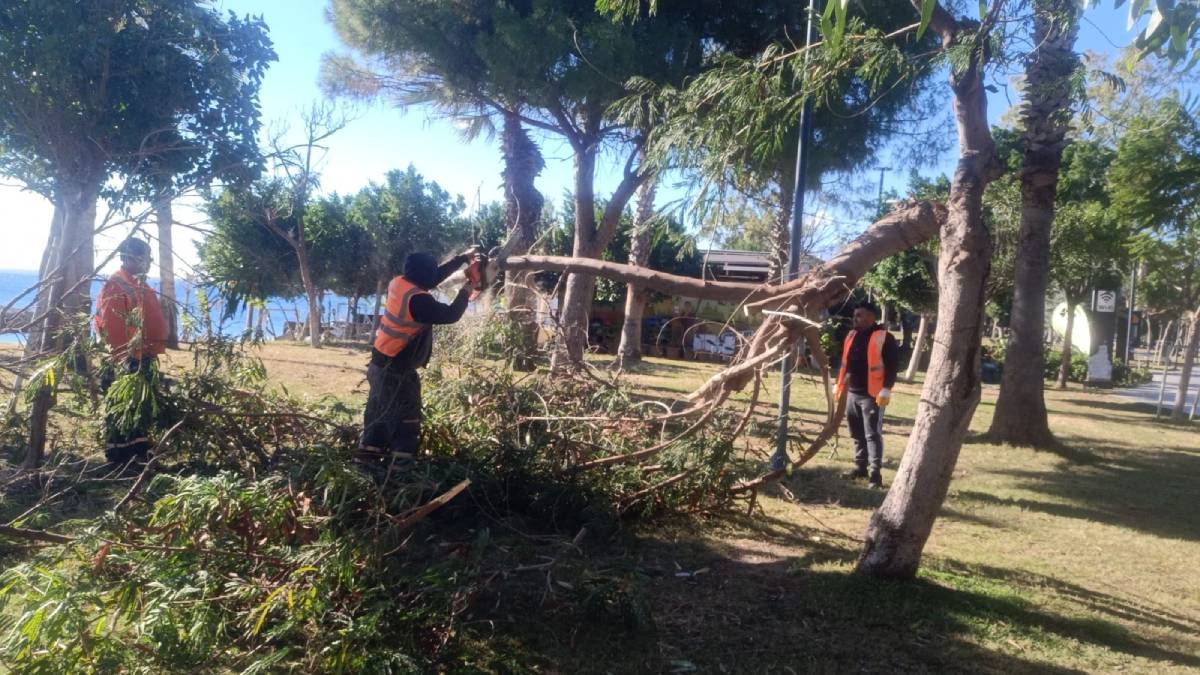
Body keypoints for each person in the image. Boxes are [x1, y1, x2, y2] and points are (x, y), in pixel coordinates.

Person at [359, 249, 480, 467]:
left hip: (379, 364)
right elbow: (451, 315)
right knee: (406, 417)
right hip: (396, 369)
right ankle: (401, 468)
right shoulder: (418, 301)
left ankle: (367, 460)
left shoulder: (399, 283)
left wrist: (462, 259)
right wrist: (468, 287)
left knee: (378, 412)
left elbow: (432, 278)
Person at [95, 237, 168, 465]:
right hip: (126, 359)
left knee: (138, 406)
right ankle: (120, 457)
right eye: (147, 258)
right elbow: (113, 326)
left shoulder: (137, 283)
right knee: (122, 406)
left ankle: (138, 452)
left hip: (142, 356)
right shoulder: (116, 285)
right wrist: (123, 359)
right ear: (136, 258)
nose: (149, 262)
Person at [835, 302, 899, 489]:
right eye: (855, 315)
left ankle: (875, 475)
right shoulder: (852, 335)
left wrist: (886, 388)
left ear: (871, 317)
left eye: (859, 315)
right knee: (856, 433)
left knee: (872, 434)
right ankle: (860, 467)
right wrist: (839, 385)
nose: (855, 318)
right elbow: (845, 363)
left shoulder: (885, 338)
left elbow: (893, 366)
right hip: (851, 393)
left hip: (872, 395)